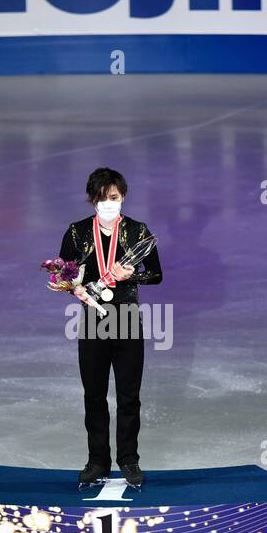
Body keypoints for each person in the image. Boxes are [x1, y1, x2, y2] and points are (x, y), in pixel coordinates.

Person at [58, 167, 163, 488]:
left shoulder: (137, 231)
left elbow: (156, 274)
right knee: (94, 394)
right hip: (92, 321)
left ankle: (129, 460)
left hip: (127, 319)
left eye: (114, 198)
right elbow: (64, 272)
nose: (108, 203)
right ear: (92, 200)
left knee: (129, 397)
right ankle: (98, 461)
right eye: (102, 199)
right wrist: (72, 288)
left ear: (123, 197)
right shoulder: (77, 232)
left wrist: (132, 275)